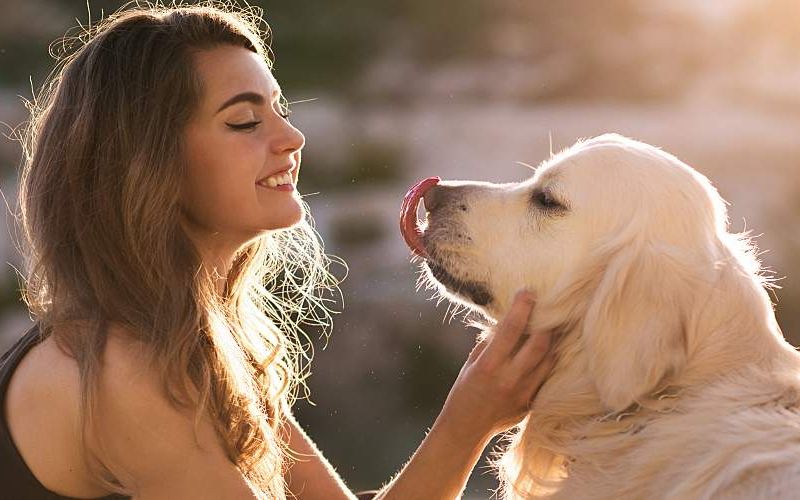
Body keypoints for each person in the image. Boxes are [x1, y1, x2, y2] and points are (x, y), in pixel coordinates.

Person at [0, 2, 555, 499]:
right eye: (244, 121)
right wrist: (467, 422)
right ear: (146, 165)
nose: (292, 137)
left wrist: (473, 413)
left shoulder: (197, 340)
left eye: (278, 108)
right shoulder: (125, 372)